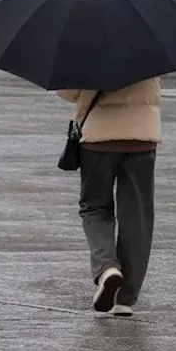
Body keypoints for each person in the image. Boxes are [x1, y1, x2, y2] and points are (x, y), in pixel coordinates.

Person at [58, 78, 161, 317]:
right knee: (137, 215)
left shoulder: (87, 44)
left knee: (94, 207)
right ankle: (124, 299)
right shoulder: (152, 45)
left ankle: (107, 268)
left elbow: (68, 91)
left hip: (98, 139)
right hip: (142, 137)